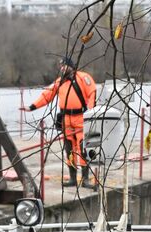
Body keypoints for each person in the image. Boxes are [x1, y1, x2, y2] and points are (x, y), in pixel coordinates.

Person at [27, 55, 98, 189]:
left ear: (71, 66)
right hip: (66, 119)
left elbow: (92, 92)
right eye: (61, 66)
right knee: (69, 149)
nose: (62, 68)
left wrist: (90, 113)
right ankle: (72, 178)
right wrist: (32, 107)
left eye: (64, 65)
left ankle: (85, 179)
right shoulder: (59, 82)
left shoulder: (83, 78)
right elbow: (47, 95)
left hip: (81, 117)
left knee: (83, 149)